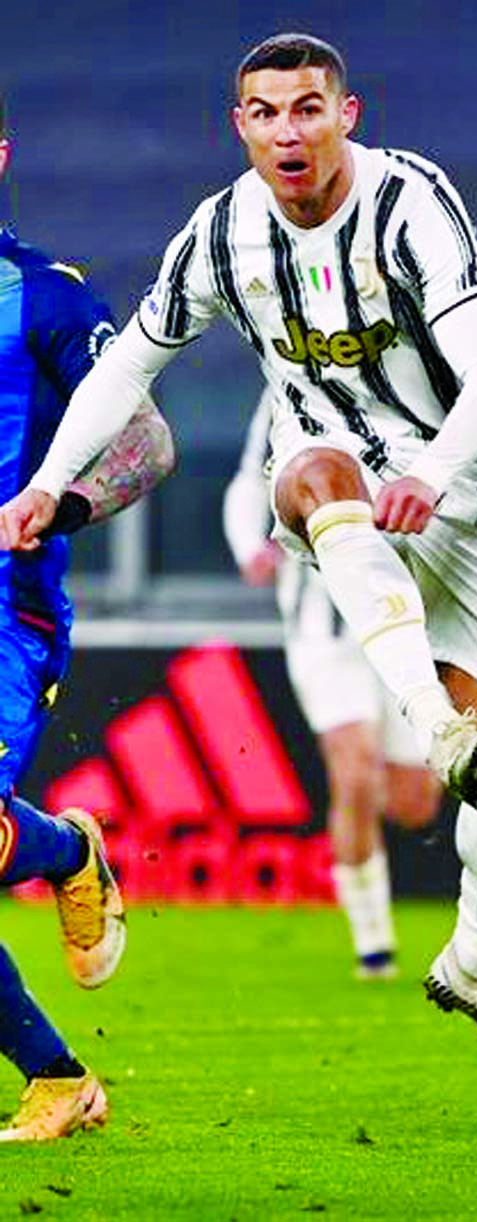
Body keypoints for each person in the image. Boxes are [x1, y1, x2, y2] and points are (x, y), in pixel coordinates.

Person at [0, 34, 477, 1089]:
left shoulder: (411, 206)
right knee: (309, 471)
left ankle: (476, 964)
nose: (287, 131)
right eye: (265, 112)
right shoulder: (220, 234)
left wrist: (434, 474)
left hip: (462, 503)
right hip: (338, 485)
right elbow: (132, 367)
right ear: (240, 126)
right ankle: (433, 726)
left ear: (349, 114)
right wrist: (44, 486)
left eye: (308, 109)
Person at [0, 100, 174, 1141]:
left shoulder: (47, 299)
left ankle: (64, 852)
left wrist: (56, 504)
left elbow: (147, 441)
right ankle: (60, 1080)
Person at [224, 387, 442, 978]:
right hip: (324, 630)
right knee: (354, 768)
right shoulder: (282, 386)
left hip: (403, 617)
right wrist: (251, 546)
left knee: (414, 802)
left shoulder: (408, 375)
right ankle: (374, 946)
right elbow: (249, 480)